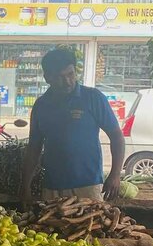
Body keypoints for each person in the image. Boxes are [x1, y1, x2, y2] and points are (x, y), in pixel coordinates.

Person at [20, 48, 124, 205]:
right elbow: (34, 148)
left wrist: (115, 175)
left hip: (88, 186)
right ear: (47, 77)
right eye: (60, 77)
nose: (68, 81)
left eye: (71, 74)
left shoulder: (93, 98)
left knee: (91, 228)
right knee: (52, 228)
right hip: (52, 187)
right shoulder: (41, 105)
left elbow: (116, 136)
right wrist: (25, 186)